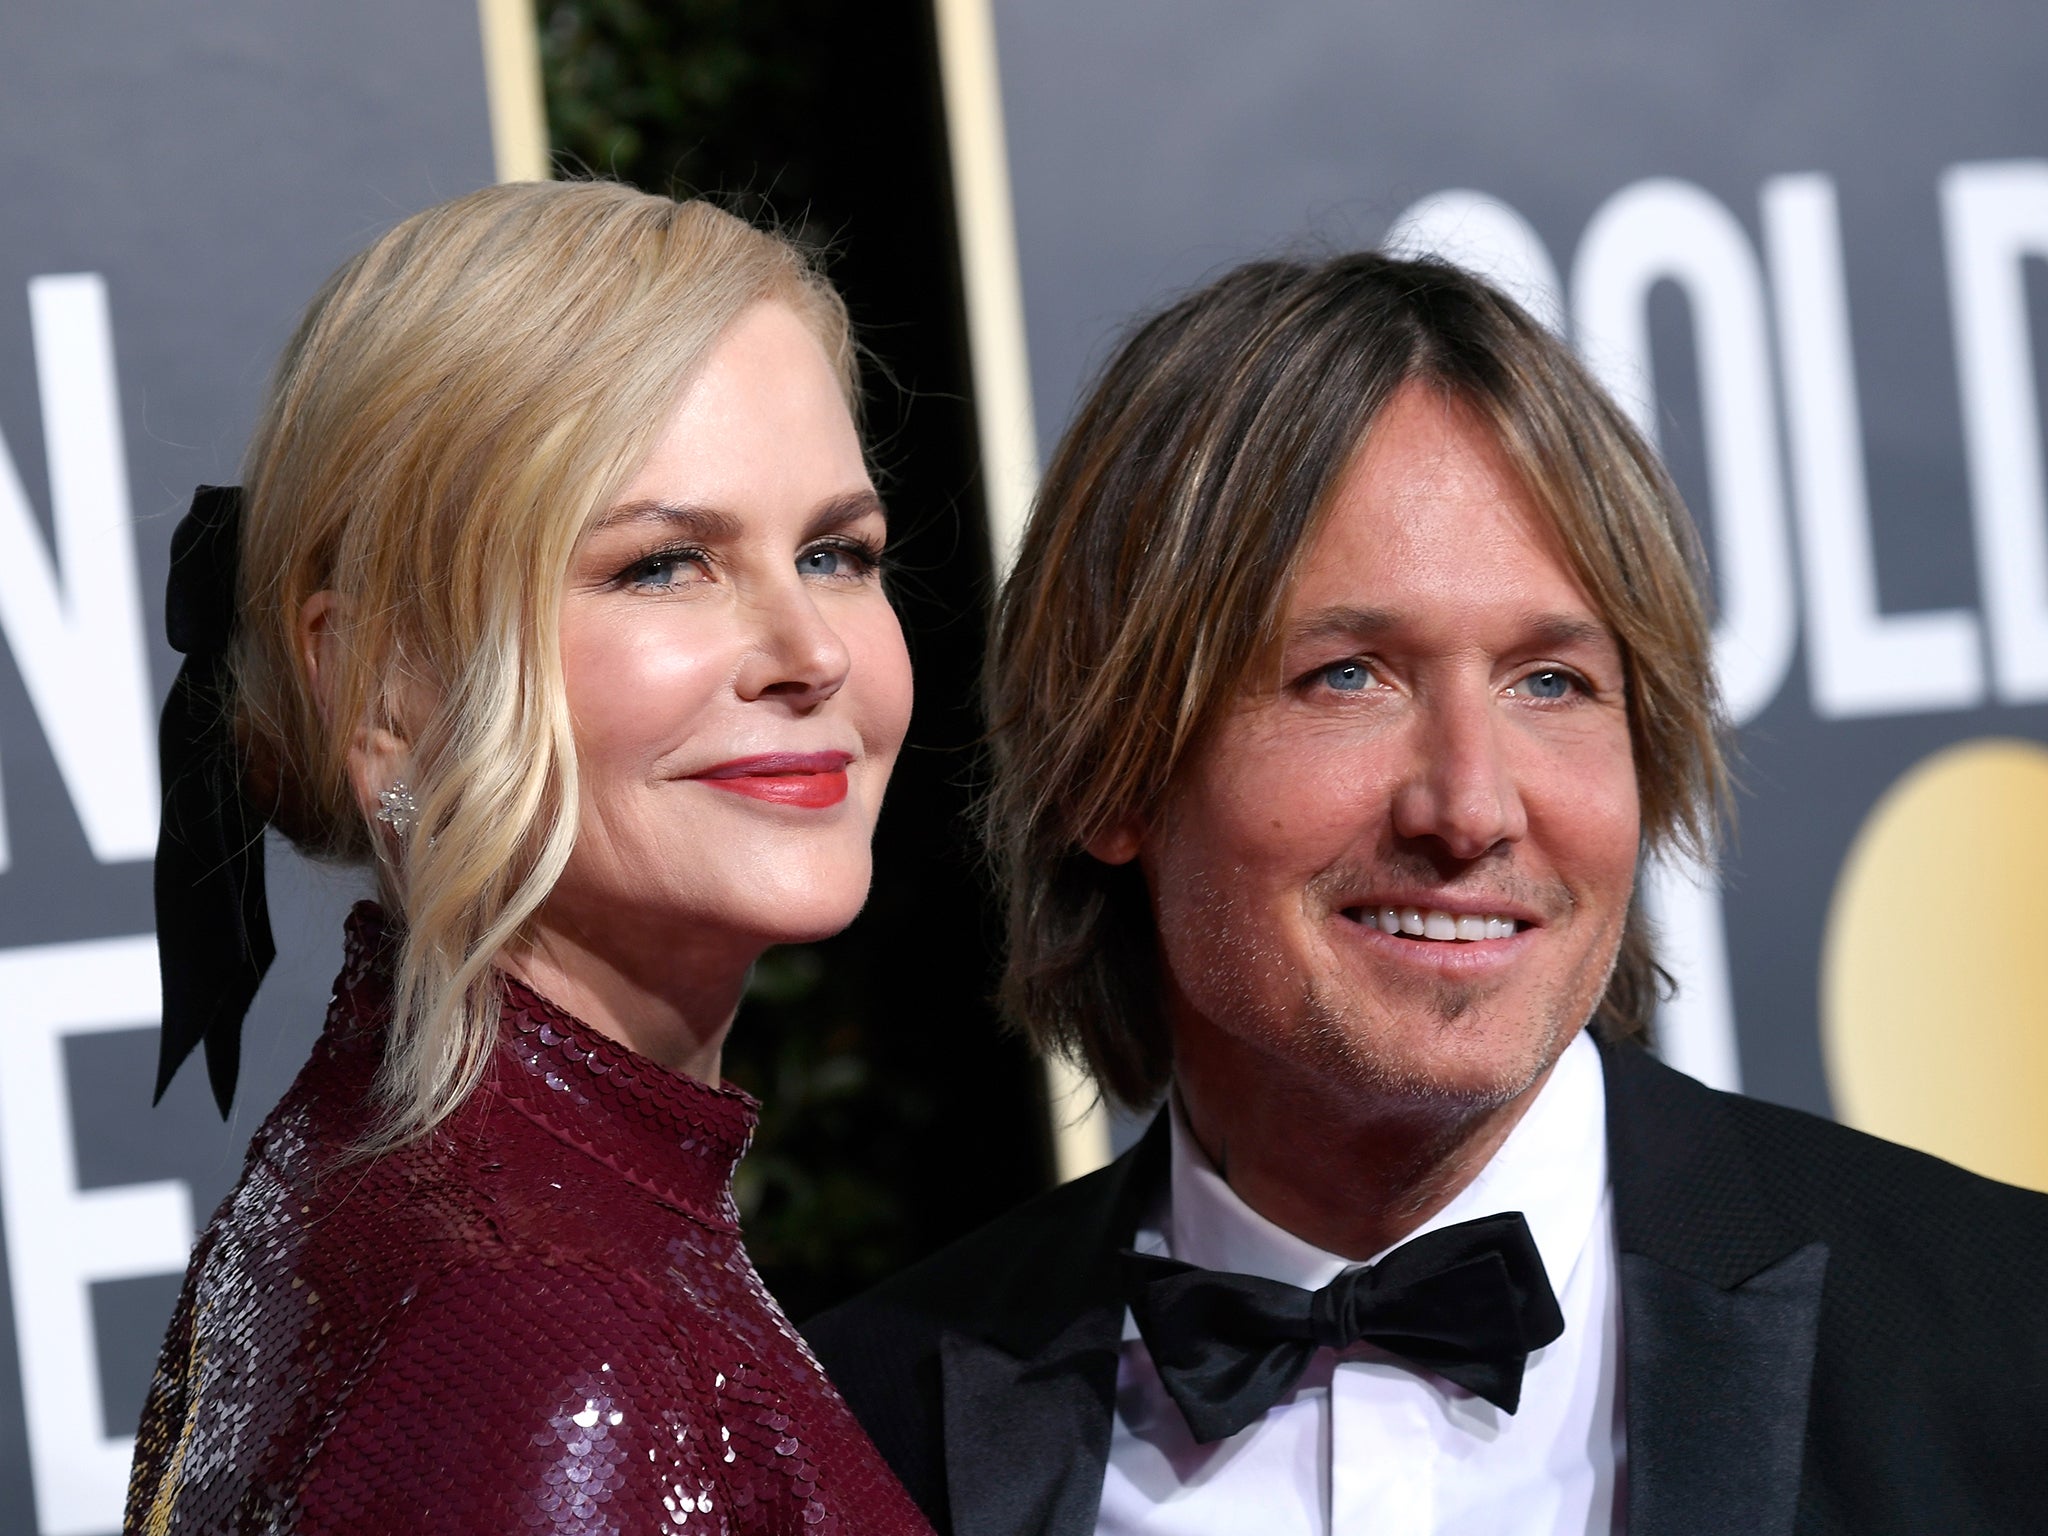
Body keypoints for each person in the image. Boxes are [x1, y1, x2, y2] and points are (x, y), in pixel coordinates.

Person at [803, 253, 2048, 1534]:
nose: (1468, 806)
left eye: (1548, 683)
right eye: (1348, 677)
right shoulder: (857, 1436)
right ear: (1110, 770)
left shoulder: (2004, 1346)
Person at [129, 181, 934, 1534]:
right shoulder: (556, 1339)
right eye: (666, 564)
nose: (814, 654)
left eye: (837, 553)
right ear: (383, 686)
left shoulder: (403, 1192)